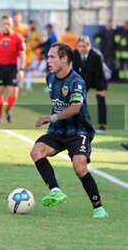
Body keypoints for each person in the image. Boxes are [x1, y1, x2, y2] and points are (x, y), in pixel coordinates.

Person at [30, 42, 108, 218]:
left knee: (80, 167)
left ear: (64, 59)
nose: (47, 60)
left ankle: (98, 208)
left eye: (52, 57)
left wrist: (51, 118)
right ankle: (55, 191)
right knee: (37, 151)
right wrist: (54, 121)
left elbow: (75, 108)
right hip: (58, 131)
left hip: (78, 131)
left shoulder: (77, 81)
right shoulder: (50, 78)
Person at [0, 15, 26, 123]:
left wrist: (21, 69)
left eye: (9, 23)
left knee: (13, 94)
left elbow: (23, 54)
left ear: (12, 24)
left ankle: (8, 109)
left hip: (12, 69)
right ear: (1, 24)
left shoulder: (18, 37)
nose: (6, 26)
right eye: (5, 23)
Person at [72, 36, 108, 133]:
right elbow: (75, 72)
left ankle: (102, 125)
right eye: (79, 46)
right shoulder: (74, 54)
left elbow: (99, 74)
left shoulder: (97, 56)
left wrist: (100, 89)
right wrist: (76, 87)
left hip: (99, 79)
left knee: (100, 99)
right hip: (84, 79)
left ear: (89, 46)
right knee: (78, 100)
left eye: (84, 46)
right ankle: (79, 124)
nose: (82, 48)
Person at [23, 20, 41, 90]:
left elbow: (39, 41)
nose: (32, 26)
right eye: (31, 25)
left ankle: (28, 85)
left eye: (33, 25)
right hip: (27, 54)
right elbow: (24, 40)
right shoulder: (26, 33)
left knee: (31, 69)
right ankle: (22, 83)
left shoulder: (36, 33)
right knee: (26, 68)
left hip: (34, 53)